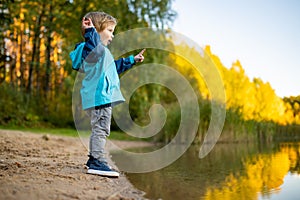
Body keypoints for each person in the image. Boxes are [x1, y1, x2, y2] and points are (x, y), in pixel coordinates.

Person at [69, 11, 145, 177]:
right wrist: (90, 32)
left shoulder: (101, 52)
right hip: (99, 96)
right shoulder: (93, 49)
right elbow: (93, 50)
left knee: (99, 128)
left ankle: (93, 159)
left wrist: (132, 60)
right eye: (110, 30)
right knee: (101, 129)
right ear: (96, 30)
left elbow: (114, 68)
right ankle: (97, 161)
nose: (113, 35)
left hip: (99, 97)